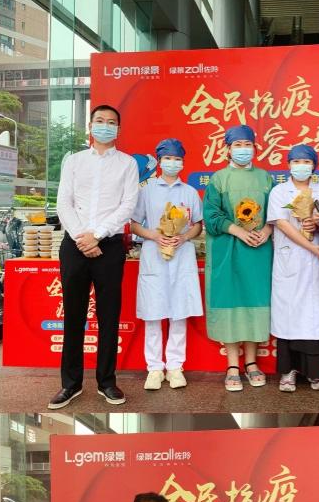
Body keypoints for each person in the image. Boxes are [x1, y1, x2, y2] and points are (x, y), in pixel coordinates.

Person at [51, 103, 140, 409]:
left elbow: (127, 205)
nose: (105, 125)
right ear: (90, 126)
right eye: (99, 120)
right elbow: (63, 202)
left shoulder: (128, 164)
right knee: (73, 315)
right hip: (74, 246)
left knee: (109, 316)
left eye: (111, 122)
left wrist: (98, 235)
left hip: (109, 247)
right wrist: (82, 238)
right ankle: (70, 384)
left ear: (119, 129)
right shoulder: (74, 161)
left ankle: (107, 382)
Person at [203, 124, 275, 392]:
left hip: (258, 252)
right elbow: (211, 216)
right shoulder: (218, 179)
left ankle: (252, 362)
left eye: (248, 145)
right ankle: (233, 364)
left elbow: (275, 214)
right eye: (238, 145)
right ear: (228, 149)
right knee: (230, 304)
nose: (243, 150)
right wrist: (239, 231)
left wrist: (266, 231)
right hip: (228, 251)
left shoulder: (265, 179)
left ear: (255, 148)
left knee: (254, 304)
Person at [130, 138, 204, 392]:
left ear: (183, 162)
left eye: (177, 159)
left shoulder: (189, 192)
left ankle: (175, 366)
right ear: (160, 161)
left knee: (179, 312)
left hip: (182, 255)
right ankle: (154, 368)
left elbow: (198, 225)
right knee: (153, 314)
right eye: (168, 159)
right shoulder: (147, 190)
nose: (173, 163)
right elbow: (134, 224)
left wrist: (184, 237)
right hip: (154, 254)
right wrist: (153, 235)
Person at [267, 144, 319, 392]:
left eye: (306, 162)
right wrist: (309, 246)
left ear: (314, 166)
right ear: (289, 165)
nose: (301, 166)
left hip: (318, 261)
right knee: (290, 316)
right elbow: (282, 224)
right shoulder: (279, 191)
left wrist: (318, 224)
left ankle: (316, 374)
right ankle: (288, 372)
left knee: (316, 317)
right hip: (292, 259)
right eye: (296, 161)